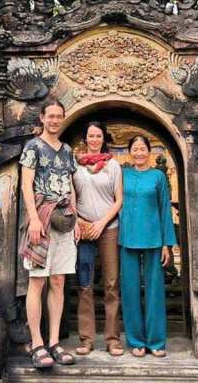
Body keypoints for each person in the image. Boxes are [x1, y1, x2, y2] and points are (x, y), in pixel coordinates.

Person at [18, 99, 80, 369]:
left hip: (64, 220)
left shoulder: (67, 151)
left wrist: (76, 218)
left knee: (58, 282)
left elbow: (71, 185)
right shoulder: (33, 147)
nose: (55, 120)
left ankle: (54, 341)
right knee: (37, 281)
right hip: (41, 220)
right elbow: (26, 185)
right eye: (51, 116)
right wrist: (32, 217)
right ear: (42, 118)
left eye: (59, 116)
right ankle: (37, 342)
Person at [119, 134, 177, 358]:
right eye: (135, 148)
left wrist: (167, 244)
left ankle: (156, 341)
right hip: (127, 238)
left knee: (155, 292)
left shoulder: (158, 176)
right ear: (130, 151)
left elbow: (165, 209)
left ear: (149, 151)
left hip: (154, 238)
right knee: (130, 290)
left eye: (143, 148)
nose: (139, 152)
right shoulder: (122, 174)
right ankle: (136, 341)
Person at [72, 121, 124, 357]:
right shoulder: (76, 165)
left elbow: (118, 200)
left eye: (98, 136)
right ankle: (87, 339)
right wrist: (79, 222)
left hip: (108, 227)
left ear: (104, 138)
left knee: (111, 284)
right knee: (85, 284)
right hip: (83, 229)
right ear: (85, 139)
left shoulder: (113, 166)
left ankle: (112, 339)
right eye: (90, 136)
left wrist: (101, 223)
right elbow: (70, 196)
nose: (94, 140)